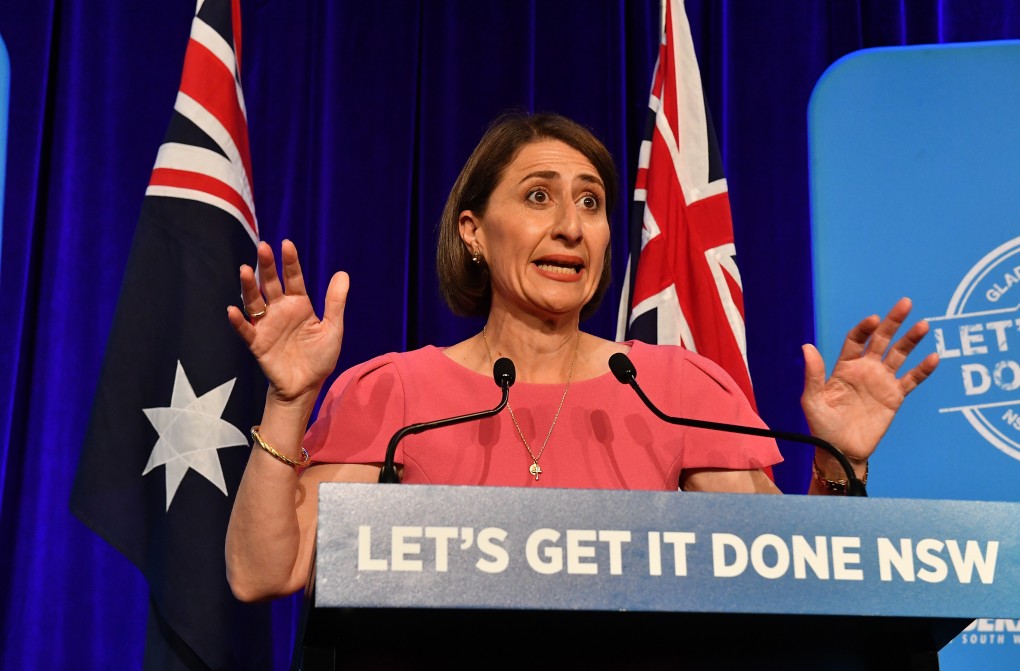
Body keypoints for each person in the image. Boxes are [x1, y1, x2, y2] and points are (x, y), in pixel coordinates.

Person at [223, 111, 939, 603]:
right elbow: (266, 573)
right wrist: (289, 401)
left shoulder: (676, 388)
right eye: (539, 197)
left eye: (592, 204)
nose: (571, 226)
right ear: (473, 231)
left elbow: (787, 580)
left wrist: (838, 466)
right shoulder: (393, 392)